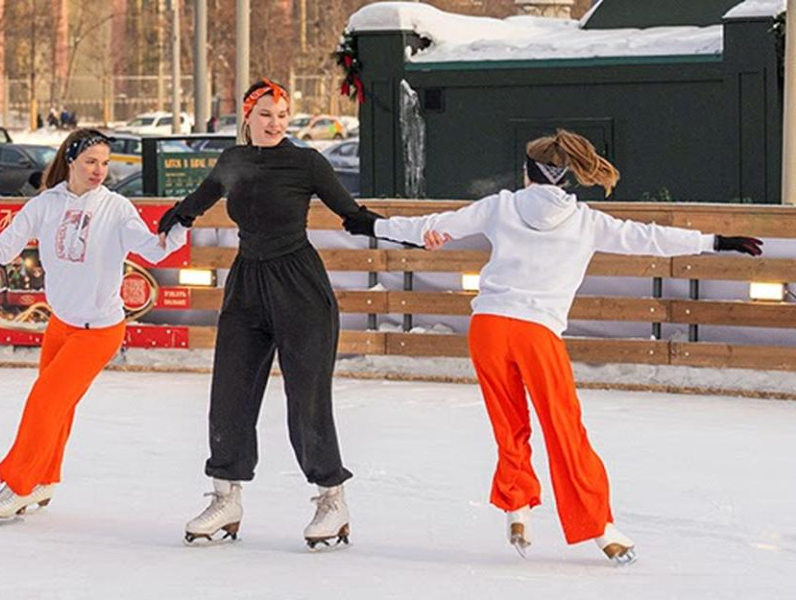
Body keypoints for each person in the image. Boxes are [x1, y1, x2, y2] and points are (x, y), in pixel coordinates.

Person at [343, 129, 763, 564]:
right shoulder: (587, 222)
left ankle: (517, 508)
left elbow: (432, 227)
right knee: (564, 429)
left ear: (528, 174)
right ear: (566, 178)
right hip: (535, 333)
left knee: (510, 424)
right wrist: (715, 242)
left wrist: (371, 223)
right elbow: (649, 238)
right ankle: (600, 528)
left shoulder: (500, 206)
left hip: (487, 327)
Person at [0, 128, 188, 519]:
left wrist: (177, 225)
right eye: (91, 162)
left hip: (99, 331)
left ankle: (19, 485)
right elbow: (1, 246)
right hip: (61, 325)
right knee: (58, 408)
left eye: (105, 163)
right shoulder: (46, 204)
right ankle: (44, 480)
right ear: (71, 162)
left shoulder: (116, 209)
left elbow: (153, 248)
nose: (99, 171)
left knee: (45, 402)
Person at [157, 79, 368, 548]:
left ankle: (332, 500)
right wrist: (175, 216)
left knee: (306, 399)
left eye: (282, 115)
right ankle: (226, 497)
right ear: (247, 117)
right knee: (228, 393)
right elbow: (200, 199)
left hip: (299, 287)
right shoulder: (233, 161)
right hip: (247, 284)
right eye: (265, 114)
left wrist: (399, 228)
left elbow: (351, 214)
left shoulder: (306, 163)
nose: (275, 123)